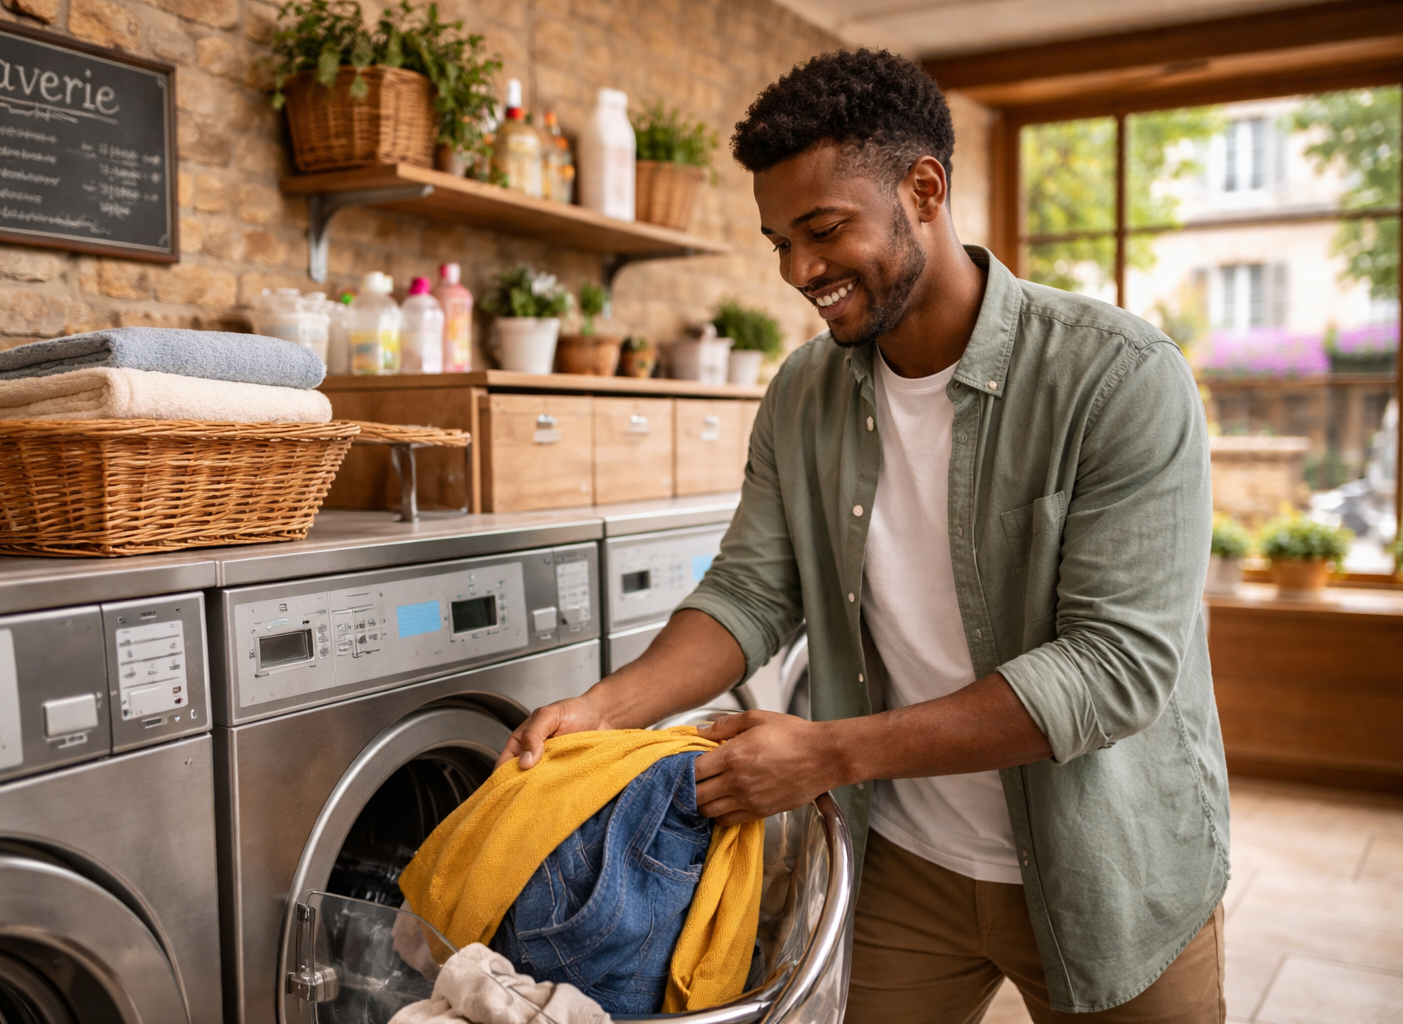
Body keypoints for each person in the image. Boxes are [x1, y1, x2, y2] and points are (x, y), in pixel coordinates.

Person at [497, 49, 1227, 1024]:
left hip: (1111, 866)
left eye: (824, 230)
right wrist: (606, 707)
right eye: (779, 242)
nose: (799, 272)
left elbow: (1115, 667)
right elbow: (751, 591)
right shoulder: (804, 392)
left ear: (924, 189)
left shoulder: (1118, 376)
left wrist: (830, 753)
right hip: (901, 864)